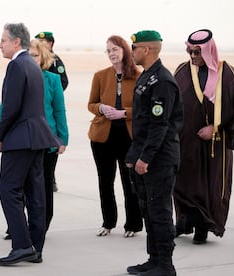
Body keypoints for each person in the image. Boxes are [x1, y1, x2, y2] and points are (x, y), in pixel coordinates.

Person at [0, 23, 61, 266]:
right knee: (35, 193)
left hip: (21, 138)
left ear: (16, 42)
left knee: (8, 189)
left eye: (3, 40)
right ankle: (36, 247)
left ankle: (22, 245)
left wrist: (0, 136)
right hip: (38, 137)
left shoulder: (16, 65)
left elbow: (10, 107)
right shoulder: (32, 65)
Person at [125, 30, 183, 276]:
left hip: (159, 160)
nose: (132, 52)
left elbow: (160, 126)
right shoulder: (147, 77)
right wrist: (133, 155)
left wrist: (145, 158)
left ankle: (166, 266)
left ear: (146, 50)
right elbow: (143, 123)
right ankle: (154, 259)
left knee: (159, 211)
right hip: (145, 156)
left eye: (134, 48)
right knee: (148, 210)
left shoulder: (162, 81)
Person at [173, 29, 234, 245]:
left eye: (197, 53)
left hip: (215, 145)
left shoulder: (227, 74)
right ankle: (183, 222)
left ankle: (203, 226)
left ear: (209, 51)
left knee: (209, 186)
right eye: (189, 51)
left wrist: (216, 129)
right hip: (186, 142)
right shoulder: (182, 71)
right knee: (183, 182)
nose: (192, 57)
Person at [87, 35, 143, 238]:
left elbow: (142, 108)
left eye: (115, 49)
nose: (111, 53)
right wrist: (101, 108)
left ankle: (133, 224)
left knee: (130, 182)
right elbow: (91, 104)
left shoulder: (138, 75)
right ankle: (108, 222)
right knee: (105, 181)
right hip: (103, 138)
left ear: (125, 51)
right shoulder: (100, 76)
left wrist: (124, 113)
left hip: (128, 137)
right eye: (108, 50)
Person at [29, 39, 69, 231]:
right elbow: (4, 107)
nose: (31, 59)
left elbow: (59, 111)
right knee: (21, 186)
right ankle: (20, 225)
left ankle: (42, 223)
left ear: (43, 58)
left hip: (48, 140)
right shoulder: (17, 76)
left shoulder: (53, 80)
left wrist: (62, 139)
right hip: (24, 140)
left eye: (35, 55)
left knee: (44, 184)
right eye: (28, 55)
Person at [35, 31, 69, 192]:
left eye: (44, 41)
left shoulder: (55, 62)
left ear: (51, 43)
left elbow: (63, 80)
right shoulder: (32, 59)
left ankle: (51, 180)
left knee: (48, 163)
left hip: (50, 111)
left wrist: (54, 94)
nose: (42, 44)